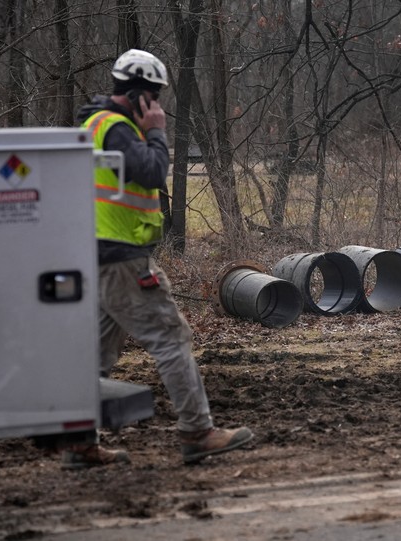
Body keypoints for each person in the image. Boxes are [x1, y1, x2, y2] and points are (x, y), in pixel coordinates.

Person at [63, 49, 253, 469]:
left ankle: (79, 443)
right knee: (171, 339)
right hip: (123, 259)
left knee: (91, 356)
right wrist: (155, 131)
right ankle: (198, 432)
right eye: (155, 98)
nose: (159, 106)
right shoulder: (117, 129)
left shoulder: (94, 123)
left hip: (98, 257)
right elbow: (150, 173)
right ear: (139, 96)